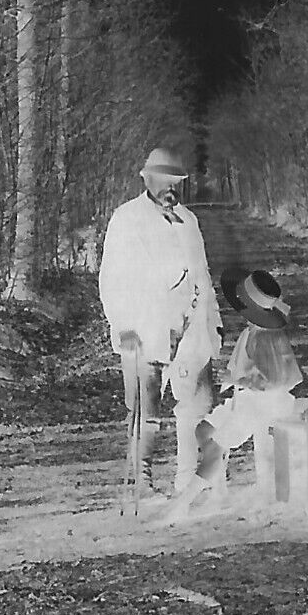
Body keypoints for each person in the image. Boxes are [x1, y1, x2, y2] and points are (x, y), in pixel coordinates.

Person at [98, 147, 222, 503]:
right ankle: (143, 481)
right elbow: (111, 279)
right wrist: (122, 325)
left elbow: (203, 277)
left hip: (187, 329)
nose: (171, 188)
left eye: (177, 182)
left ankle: (188, 478)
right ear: (146, 179)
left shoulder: (190, 222)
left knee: (195, 406)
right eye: (164, 181)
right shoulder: (126, 219)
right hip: (143, 326)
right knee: (144, 411)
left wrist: (211, 322)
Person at [162, 267, 304, 522]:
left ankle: (183, 503)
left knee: (217, 443)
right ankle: (218, 491)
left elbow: (274, 379)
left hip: (263, 403)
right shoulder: (252, 332)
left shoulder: (265, 338)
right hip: (245, 398)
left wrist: (242, 380)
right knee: (203, 430)